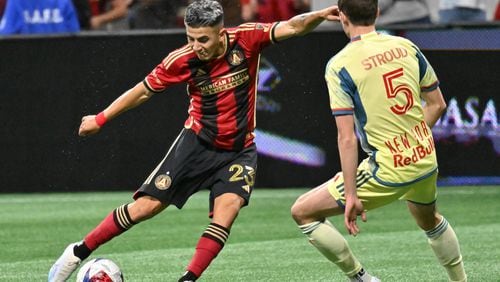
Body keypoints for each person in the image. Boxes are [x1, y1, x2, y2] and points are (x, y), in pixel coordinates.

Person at [48, 1, 340, 281]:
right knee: (146, 207)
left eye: (203, 39)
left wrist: (318, 15)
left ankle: (188, 279)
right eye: (190, 38)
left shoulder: (247, 39)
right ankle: (77, 252)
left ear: (221, 33)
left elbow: (291, 27)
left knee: (226, 214)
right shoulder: (182, 59)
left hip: (239, 151)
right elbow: (144, 90)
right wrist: (101, 118)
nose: (196, 46)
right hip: (197, 144)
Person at [290, 0, 467, 281]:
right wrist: (410, 139)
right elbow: (437, 105)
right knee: (429, 220)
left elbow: (346, 137)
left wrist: (350, 193)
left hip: (386, 169)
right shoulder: (405, 46)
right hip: (424, 157)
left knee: (303, 212)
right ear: (378, 12)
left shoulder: (340, 64)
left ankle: (363, 278)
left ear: (342, 16)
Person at [0, 0, 80, 35]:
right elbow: (5, 39)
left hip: (62, 62)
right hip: (26, 63)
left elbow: (75, 36)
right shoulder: (17, 2)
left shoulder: (63, 2)